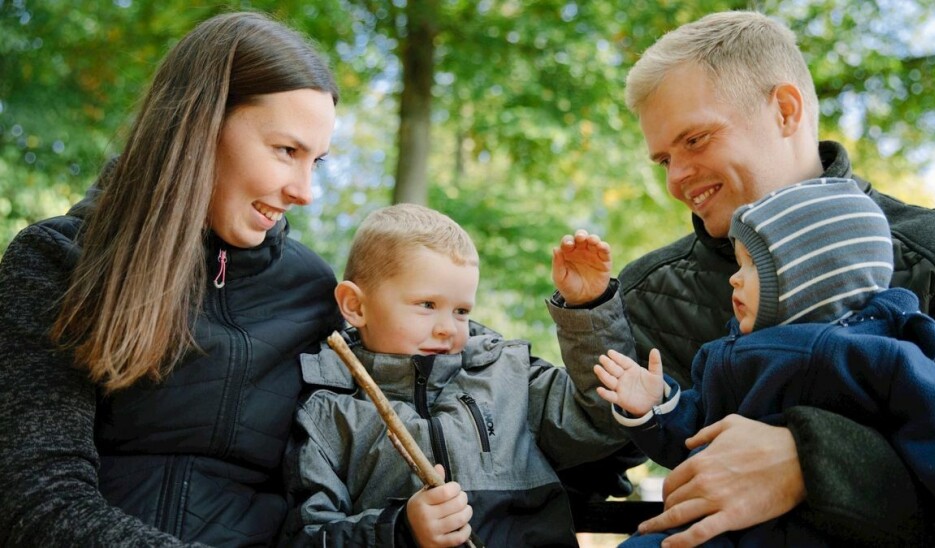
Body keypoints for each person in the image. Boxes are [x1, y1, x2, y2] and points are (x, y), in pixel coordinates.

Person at [611, 10, 935, 547]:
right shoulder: (648, 296)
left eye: (696, 139)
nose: (676, 179)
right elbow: (593, 453)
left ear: (785, 110)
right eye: (663, 159)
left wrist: (812, 463)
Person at [0, 12, 344, 546]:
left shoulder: (316, 293)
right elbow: (37, 495)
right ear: (201, 126)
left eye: (316, 161)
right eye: (286, 151)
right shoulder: (57, 261)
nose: (305, 191)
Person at [593, 177, 935, 546]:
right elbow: (697, 440)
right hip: (718, 526)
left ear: (809, 278)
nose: (734, 280)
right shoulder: (726, 355)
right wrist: (657, 407)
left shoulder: (870, 353)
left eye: (753, 266)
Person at [280, 203, 633, 547]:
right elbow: (308, 535)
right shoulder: (328, 412)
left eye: (462, 310)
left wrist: (588, 311)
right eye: (427, 305)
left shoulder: (508, 375)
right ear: (355, 305)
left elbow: (601, 419)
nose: (448, 328)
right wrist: (401, 531)